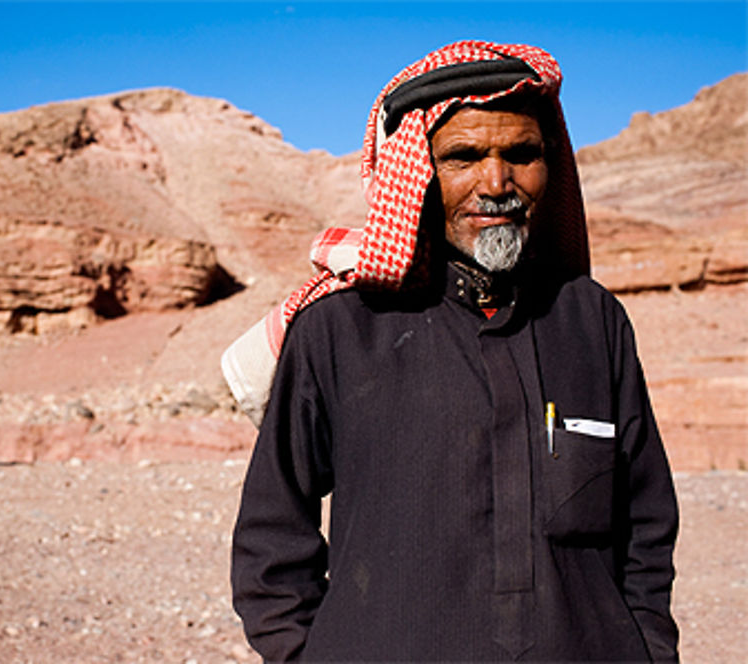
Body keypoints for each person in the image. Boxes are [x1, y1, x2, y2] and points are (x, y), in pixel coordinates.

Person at [227, 41, 679, 662]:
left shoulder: (591, 320)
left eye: (521, 154)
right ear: (419, 174)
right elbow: (272, 540)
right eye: (464, 157)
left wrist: (646, 647)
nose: (497, 182)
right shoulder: (340, 330)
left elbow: (647, 526)